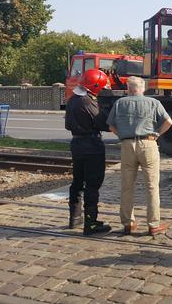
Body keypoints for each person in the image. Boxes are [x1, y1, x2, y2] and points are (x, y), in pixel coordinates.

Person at [107, 76, 172, 236]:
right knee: (152, 186)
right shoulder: (153, 103)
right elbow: (169, 122)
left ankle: (128, 223)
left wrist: (123, 136)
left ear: (128, 89)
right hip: (148, 144)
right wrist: (156, 134)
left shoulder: (119, 103)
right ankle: (153, 224)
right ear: (142, 88)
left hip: (127, 145)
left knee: (127, 186)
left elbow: (111, 127)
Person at [64, 69, 112, 235]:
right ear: (96, 85)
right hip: (91, 145)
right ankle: (91, 224)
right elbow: (103, 123)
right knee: (92, 184)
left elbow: (68, 125)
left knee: (77, 181)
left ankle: (75, 218)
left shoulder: (72, 99)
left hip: (77, 143)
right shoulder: (87, 101)